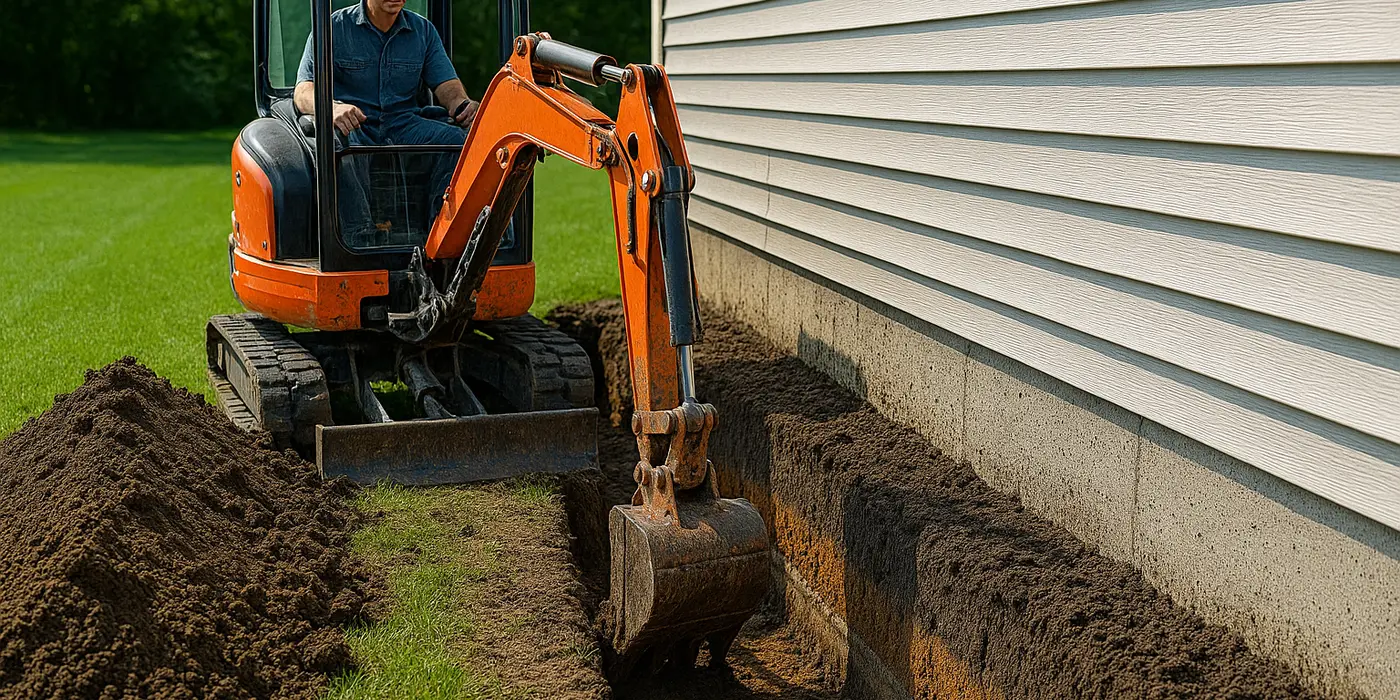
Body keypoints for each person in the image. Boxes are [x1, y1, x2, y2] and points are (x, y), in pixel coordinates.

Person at [295, 0, 479, 248]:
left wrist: (462, 105)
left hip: (404, 124)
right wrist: (332, 108)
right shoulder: (332, 29)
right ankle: (359, 239)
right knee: (336, 144)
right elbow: (303, 91)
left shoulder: (423, 31)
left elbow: (447, 86)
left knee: (459, 142)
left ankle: (443, 231)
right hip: (356, 126)